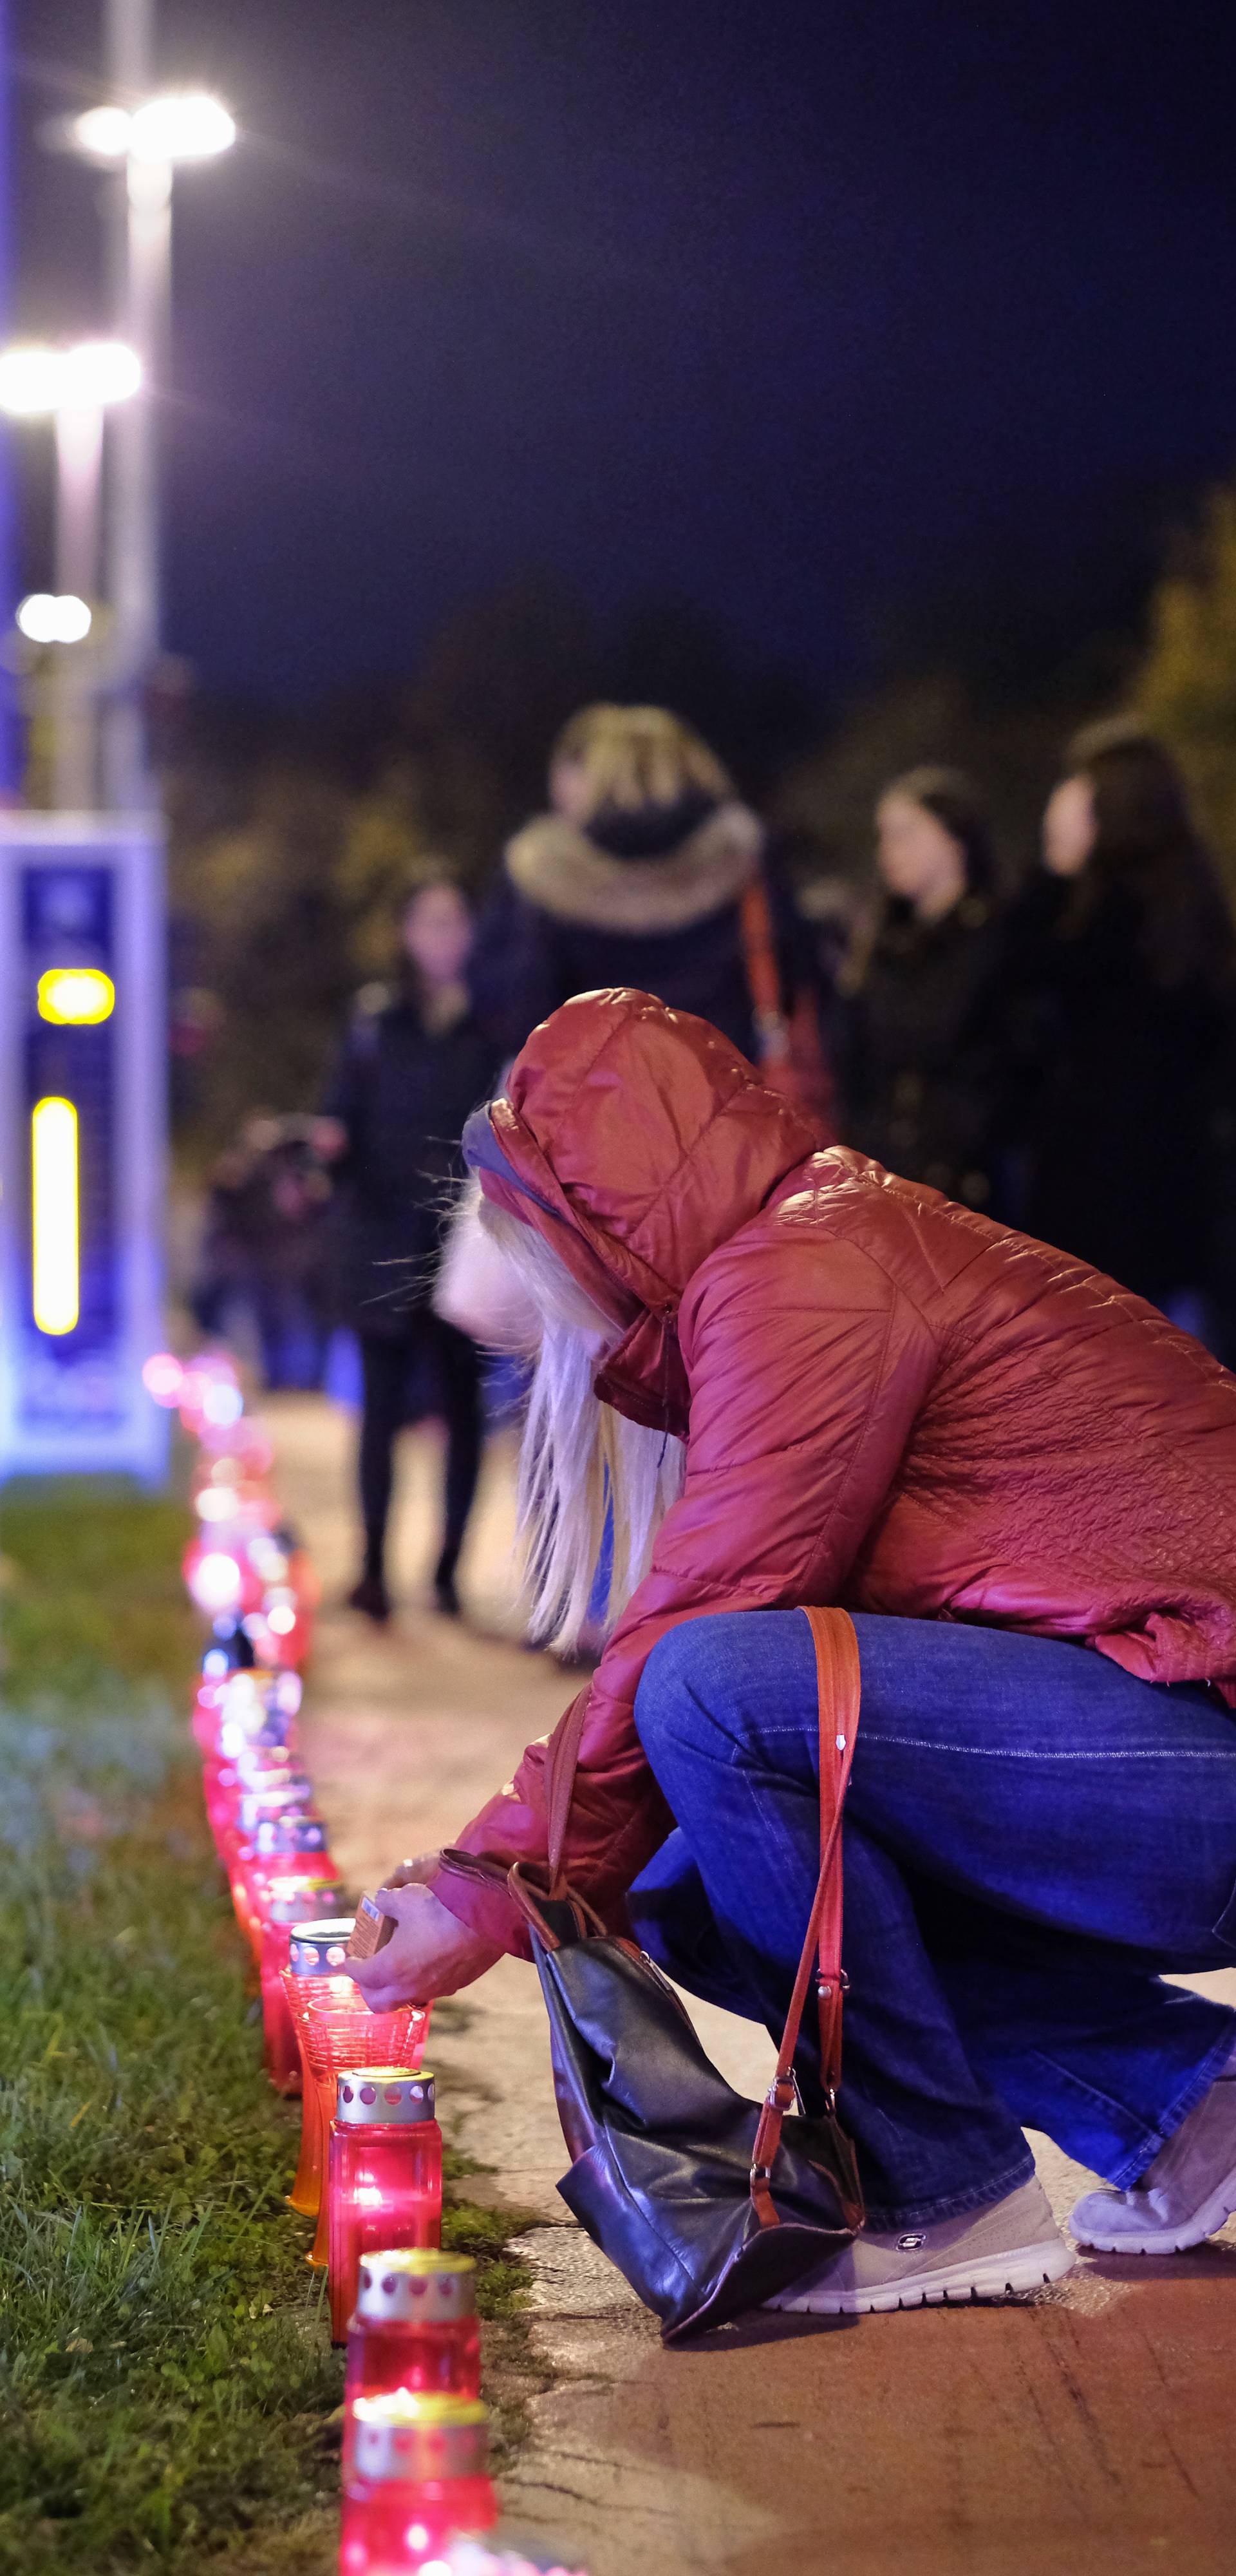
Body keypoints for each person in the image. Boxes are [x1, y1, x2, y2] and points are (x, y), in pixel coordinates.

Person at [350, 988, 1236, 2317]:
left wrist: (490, 1889)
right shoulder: (784, 1258)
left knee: (716, 1690)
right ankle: (1193, 2111)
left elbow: (698, 1627)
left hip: (1195, 1742)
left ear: (597, 1212)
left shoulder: (806, 1274)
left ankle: (943, 2190)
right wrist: (509, 1864)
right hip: (1161, 1737)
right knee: (684, 1869)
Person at [470, 702, 821, 1097]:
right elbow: (801, 978)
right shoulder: (743, 860)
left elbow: (512, 1013)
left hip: (595, 1128)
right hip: (734, 1114)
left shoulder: (540, 875)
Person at [1007, 719, 1236, 1321]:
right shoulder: (1195, 906)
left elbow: (1019, 971)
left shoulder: (1103, 916)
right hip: (1181, 1198)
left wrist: (1054, 869)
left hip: (1102, 1196)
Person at [319, 877, 497, 1621]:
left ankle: (449, 1571)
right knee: (381, 1409)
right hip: (385, 1238)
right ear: (405, 931)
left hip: (467, 1239)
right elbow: (340, 1123)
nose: (443, 935)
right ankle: (372, 1569)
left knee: (465, 1410)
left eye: (455, 919)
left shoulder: (493, 1025)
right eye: (428, 920)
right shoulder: (374, 1022)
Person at [839, 766, 1009, 1212]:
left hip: (972, 1185)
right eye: (885, 836)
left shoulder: (998, 938)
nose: (888, 851)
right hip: (889, 1176)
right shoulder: (882, 945)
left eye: (906, 834)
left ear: (955, 839)